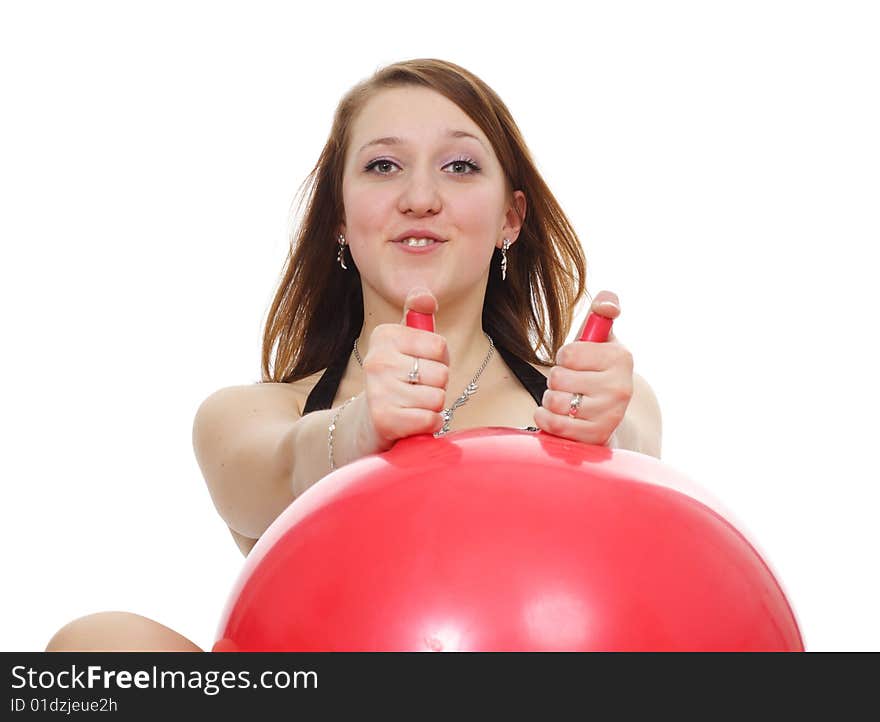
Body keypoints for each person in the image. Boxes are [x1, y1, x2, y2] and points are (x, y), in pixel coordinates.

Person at [45, 58, 662, 652]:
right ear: (339, 218)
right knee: (96, 649)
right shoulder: (249, 415)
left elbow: (639, 480)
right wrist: (362, 426)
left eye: (460, 166)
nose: (420, 197)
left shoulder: (598, 395)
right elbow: (283, 468)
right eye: (384, 165)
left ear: (510, 218)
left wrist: (601, 447)